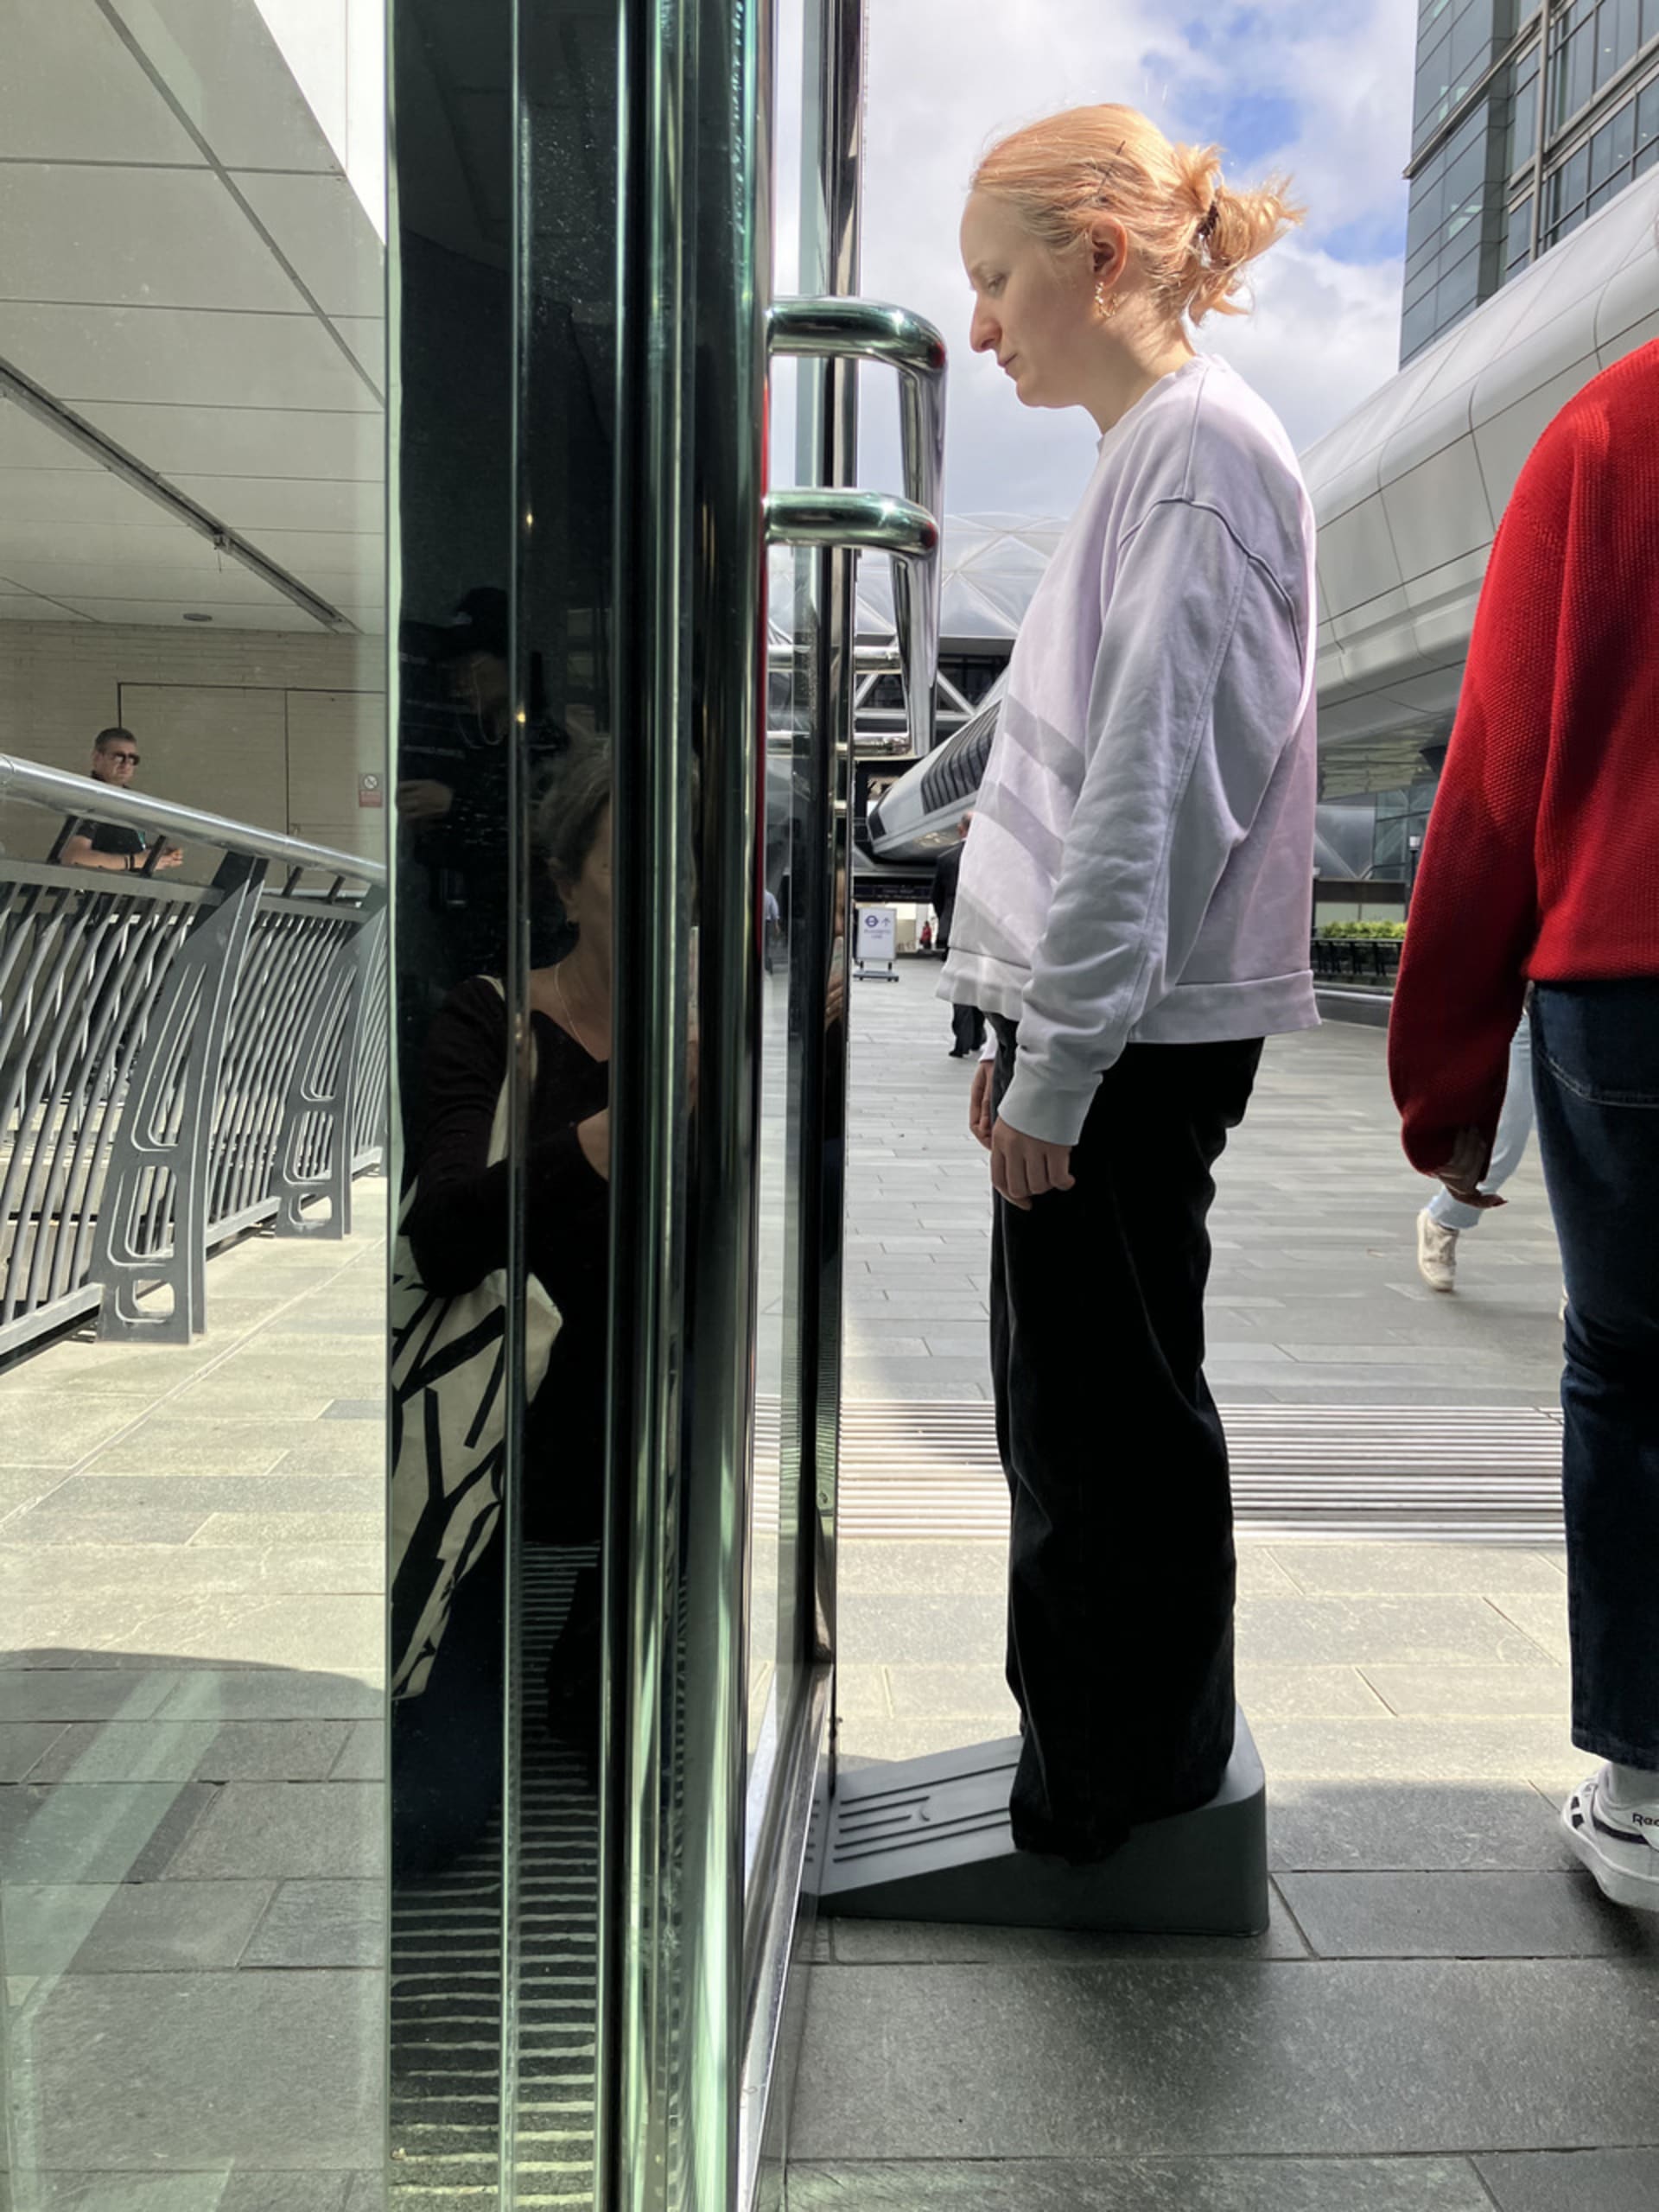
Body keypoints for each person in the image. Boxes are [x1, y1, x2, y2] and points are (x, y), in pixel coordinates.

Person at [943, 105, 1316, 1862]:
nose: (982, 326)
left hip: (1137, 1036)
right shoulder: (1171, 454)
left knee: (1100, 1434)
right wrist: (1022, 1027)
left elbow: (1154, 785)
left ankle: (1116, 1802)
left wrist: (1062, 1060)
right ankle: (1118, 1768)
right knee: (1098, 1409)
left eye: (998, 277)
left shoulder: (1193, 458)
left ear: (1101, 253)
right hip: (1117, 1028)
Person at [1388, 336, 1659, 1913]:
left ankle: (1642, 1795)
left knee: (1630, 1378)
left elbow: (1494, 779)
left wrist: (1447, 1083)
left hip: (1630, 992)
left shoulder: (1603, 431)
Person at [393, 740, 613, 1873]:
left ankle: (595, 1629)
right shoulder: (493, 1024)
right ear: (564, 878)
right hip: (498, 1462)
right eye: (636, 859)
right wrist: (596, 1144)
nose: (676, 893)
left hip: (653, 1479)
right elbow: (436, 1244)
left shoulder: (726, 1036)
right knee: (429, 1820)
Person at [1414, 1010, 1534, 1291]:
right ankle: (1445, 1218)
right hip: (1539, 996)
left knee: (1602, 1153)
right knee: (1505, 1134)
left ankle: (1584, 1284)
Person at [52, 727, 181, 875]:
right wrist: (136, 861)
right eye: (118, 757)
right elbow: (74, 857)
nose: (126, 764)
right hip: (103, 894)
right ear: (97, 758)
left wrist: (156, 854)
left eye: (132, 759)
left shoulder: (126, 798)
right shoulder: (90, 797)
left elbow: (115, 845)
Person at [931, 812, 984, 1056]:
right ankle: (977, 1035)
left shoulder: (946, 859)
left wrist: (945, 921)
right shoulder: (991, 858)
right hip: (984, 930)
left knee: (960, 982)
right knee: (981, 982)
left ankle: (963, 1040)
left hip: (955, 929)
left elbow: (937, 897)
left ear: (960, 829)